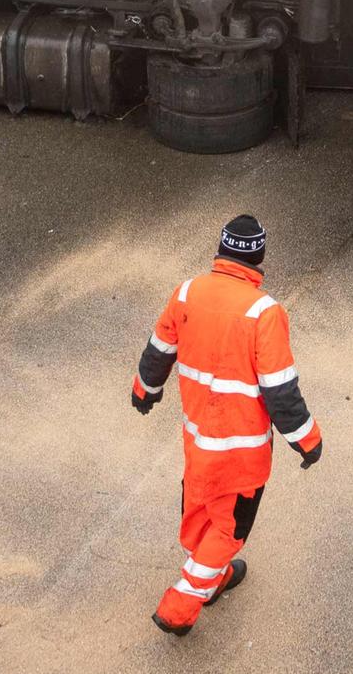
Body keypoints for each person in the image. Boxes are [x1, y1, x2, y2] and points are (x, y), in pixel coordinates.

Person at [132, 214, 323, 636]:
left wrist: (145, 390)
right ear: (258, 256)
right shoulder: (264, 312)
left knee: (200, 511)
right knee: (229, 528)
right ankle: (180, 606)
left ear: (221, 252)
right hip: (241, 453)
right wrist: (308, 439)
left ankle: (213, 580)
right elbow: (280, 390)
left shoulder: (186, 293)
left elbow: (158, 349)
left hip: (197, 439)